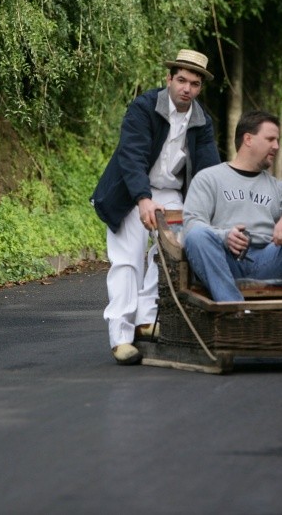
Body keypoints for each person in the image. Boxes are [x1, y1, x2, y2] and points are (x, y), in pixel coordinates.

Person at [91, 49, 221, 365]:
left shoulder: (202, 121)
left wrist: (211, 208)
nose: (186, 88)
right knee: (127, 260)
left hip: (173, 194)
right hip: (130, 192)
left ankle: (146, 319)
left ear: (200, 87)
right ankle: (120, 337)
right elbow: (131, 156)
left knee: (167, 255)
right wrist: (143, 198)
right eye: (181, 80)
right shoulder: (144, 107)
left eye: (194, 83)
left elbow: (207, 169)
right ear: (169, 79)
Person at [182, 110, 282, 303]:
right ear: (248, 139)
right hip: (225, 261)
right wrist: (225, 236)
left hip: (270, 259)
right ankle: (234, 311)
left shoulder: (278, 186)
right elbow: (192, 224)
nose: (276, 146)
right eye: (270, 139)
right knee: (196, 236)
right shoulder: (209, 178)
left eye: (277, 140)